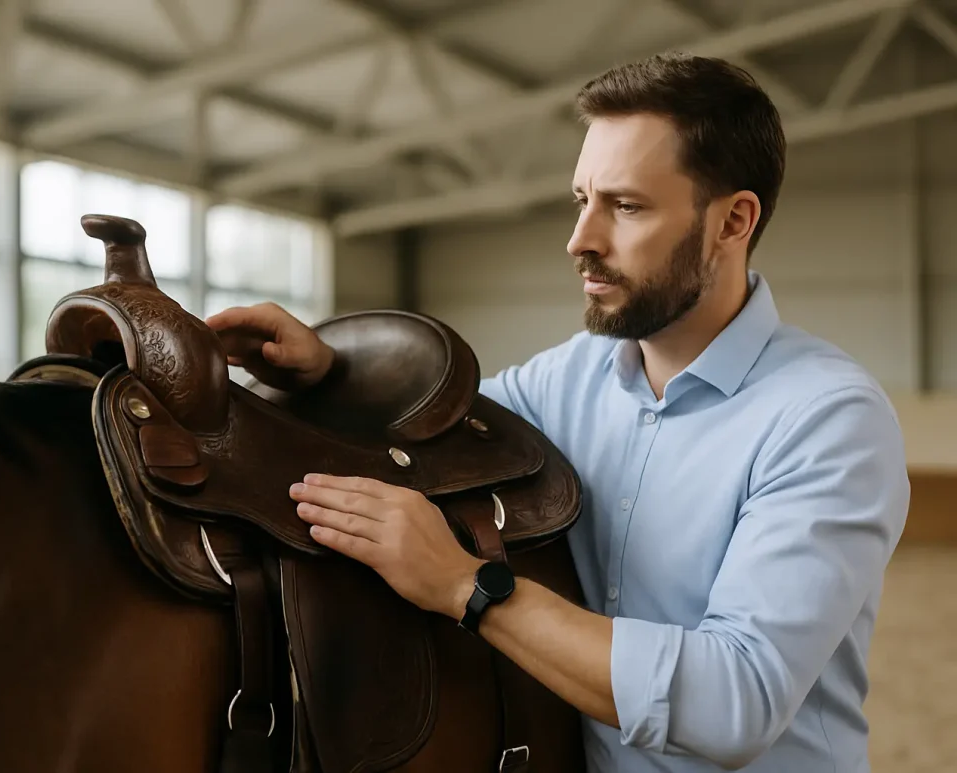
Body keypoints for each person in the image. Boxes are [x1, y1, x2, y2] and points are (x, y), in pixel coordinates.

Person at [205, 52, 910, 772]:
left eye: (626, 206)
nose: (581, 240)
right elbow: (434, 425)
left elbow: (739, 698)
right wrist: (331, 368)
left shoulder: (828, 419)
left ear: (733, 221)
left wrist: (465, 586)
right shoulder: (571, 377)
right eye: (582, 199)